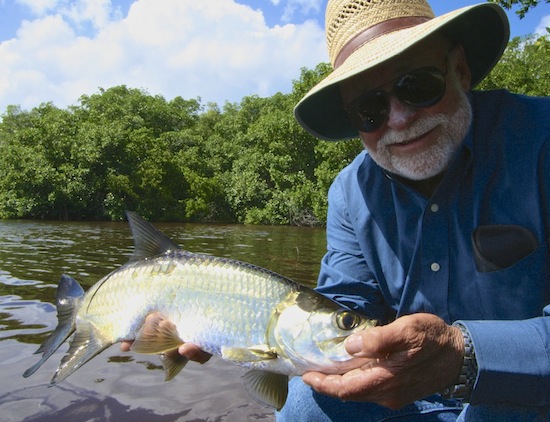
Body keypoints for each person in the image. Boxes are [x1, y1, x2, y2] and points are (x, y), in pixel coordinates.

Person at [123, 0, 550, 420]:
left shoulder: (541, 141)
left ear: (459, 69)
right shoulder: (350, 193)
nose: (398, 119)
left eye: (417, 85)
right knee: (307, 405)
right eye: (370, 109)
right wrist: (238, 324)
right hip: (408, 398)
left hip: (532, 394)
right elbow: (346, 302)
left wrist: (463, 355)